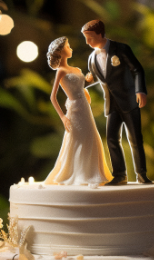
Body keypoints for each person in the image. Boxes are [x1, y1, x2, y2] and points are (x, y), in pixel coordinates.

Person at [82, 20, 151, 185]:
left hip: (129, 100)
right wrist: (85, 81)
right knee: (112, 138)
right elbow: (99, 77)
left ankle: (141, 174)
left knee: (135, 139)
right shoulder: (92, 58)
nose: (87, 42)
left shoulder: (121, 49)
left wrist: (140, 90)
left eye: (90, 37)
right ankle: (120, 174)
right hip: (111, 104)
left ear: (100, 34)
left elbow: (137, 69)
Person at [44, 36, 112, 186]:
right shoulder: (61, 71)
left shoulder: (76, 69)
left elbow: (80, 87)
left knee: (91, 136)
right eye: (68, 46)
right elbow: (53, 97)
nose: (71, 48)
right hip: (75, 110)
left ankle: (92, 172)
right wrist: (63, 117)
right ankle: (77, 173)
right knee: (77, 138)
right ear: (61, 52)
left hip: (84, 107)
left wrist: (88, 80)